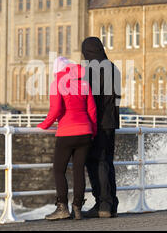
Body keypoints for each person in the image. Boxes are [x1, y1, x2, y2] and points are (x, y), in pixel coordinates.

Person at [38, 57, 97, 220]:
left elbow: (56, 108)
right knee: (79, 170)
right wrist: (92, 131)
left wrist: (44, 125)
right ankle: (77, 208)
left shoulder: (57, 82)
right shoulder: (84, 83)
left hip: (67, 132)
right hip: (85, 132)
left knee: (59, 170)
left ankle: (62, 207)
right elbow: (92, 110)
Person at [81, 37, 121, 218]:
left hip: (97, 122)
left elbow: (90, 100)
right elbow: (117, 99)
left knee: (97, 161)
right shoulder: (114, 68)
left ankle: (102, 203)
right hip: (112, 122)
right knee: (108, 162)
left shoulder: (91, 70)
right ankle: (112, 204)